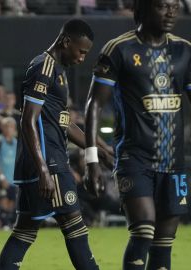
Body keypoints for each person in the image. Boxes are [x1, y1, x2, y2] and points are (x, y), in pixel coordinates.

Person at [84, 1, 190, 269]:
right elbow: (94, 105)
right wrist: (92, 160)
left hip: (174, 163)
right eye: (163, 6)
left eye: (175, 6)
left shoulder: (184, 51)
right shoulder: (119, 49)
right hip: (135, 159)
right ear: (143, 9)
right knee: (143, 231)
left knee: (164, 243)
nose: (171, 12)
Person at [0, 19, 103, 270]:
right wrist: (43, 168)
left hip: (44, 161)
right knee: (75, 227)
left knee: (24, 232)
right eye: (81, 51)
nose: (82, 58)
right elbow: (27, 120)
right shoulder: (44, 66)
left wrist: (100, 150)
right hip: (50, 163)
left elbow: (63, 123)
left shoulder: (57, 71)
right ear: (66, 42)